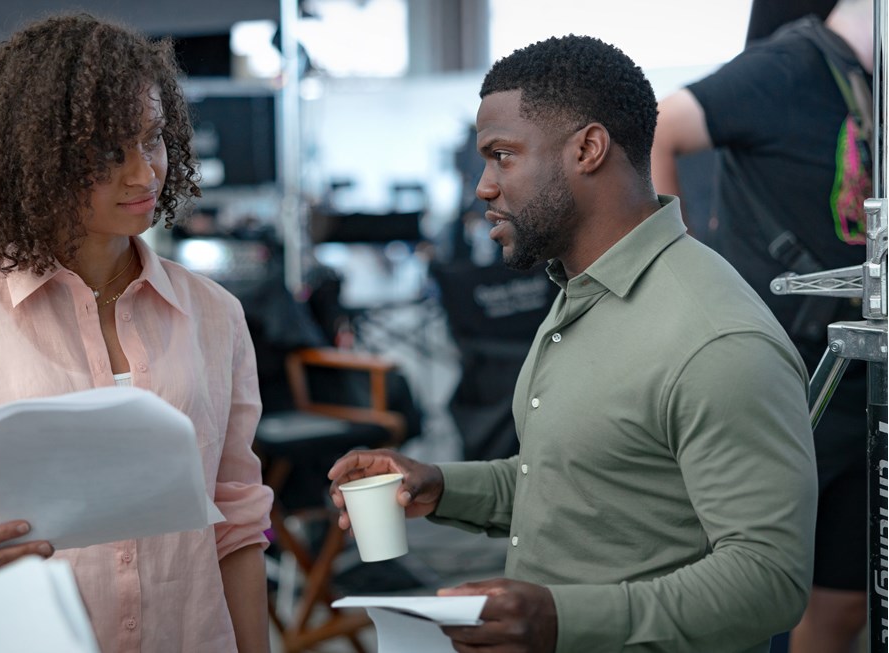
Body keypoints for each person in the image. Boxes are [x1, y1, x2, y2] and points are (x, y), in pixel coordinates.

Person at [329, 35, 817, 653]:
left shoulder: (715, 340)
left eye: (501, 156)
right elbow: (580, 484)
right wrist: (441, 486)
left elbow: (769, 582)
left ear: (587, 149)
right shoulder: (582, 291)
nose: (482, 186)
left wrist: (564, 618)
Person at [0, 15, 272, 653]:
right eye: (110, 152)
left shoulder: (213, 315)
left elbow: (237, 522)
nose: (144, 174)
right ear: (41, 154)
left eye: (155, 139)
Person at [651, 2, 872, 650]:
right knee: (757, 596)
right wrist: (677, 281)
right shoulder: (787, 64)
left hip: (860, 375)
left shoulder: (871, 84)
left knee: (846, 597)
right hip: (783, 377)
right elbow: (661, 126)